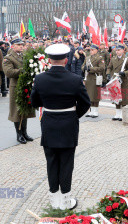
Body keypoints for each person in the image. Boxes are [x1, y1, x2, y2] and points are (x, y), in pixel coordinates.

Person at [31, 43, 91, 210]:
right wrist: (72, 115)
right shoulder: (75, 79)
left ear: (49, 60)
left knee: (51, 161)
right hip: (68, 124)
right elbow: (85, 103)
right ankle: (65, 199)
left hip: (49, 122)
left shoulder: (40, 78)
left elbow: (34, 102)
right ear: (66, 60)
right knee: (66, 162)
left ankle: (54, 199)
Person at [3, 39, 35, 144]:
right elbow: (8, 72)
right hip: (16, 86)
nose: (21, 46)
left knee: (25, 109)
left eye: (22, 45)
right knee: (17, 110)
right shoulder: (8, 58)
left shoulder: (24, 55)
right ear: (13, 46)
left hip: (26, 85)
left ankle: (25, 133)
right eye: (19, 45)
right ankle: (19, 134)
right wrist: (23, 70)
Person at [106, 45, 128, 121]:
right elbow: (109, 67)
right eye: (116, 50)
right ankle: (117, 113)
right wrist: (108, 74)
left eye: (119, 50)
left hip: (123, 80)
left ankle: (122, 114)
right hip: (115, 79)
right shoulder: (113, 59)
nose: (117, 51)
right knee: (116, 96)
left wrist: (124, 73)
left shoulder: (127, 59)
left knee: (123, 97)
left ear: (123, 50)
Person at [82, 45, 105, 118]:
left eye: (93, 50)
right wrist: (84, 68)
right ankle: (91, 111)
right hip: (88, 78)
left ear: (96, 50)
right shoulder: (88, 57)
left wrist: (91, 69)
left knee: (95, 95)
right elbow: (82, 66)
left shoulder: (99, 58)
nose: (91, 51)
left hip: (95, 78)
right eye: (90, 50)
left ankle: (96, 111)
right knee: (89, 95)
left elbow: (102, 68)